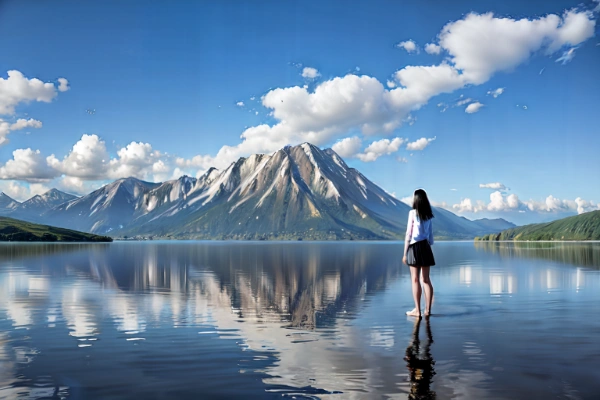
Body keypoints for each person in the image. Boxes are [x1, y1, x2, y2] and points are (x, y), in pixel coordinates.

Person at [402, 189, 435, 318]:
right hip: (426, 247)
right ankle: (428, 310)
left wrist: (405, 253)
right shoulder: (429, 215)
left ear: (415, 200)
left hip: (414, 248)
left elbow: (408, 234)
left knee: (415, 279)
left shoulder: (412, 213)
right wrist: (427, 245)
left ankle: (417, 311)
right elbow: (431, 236)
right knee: (426, 280)